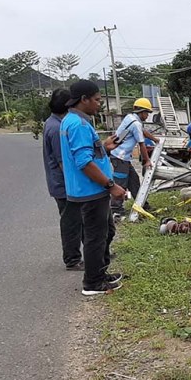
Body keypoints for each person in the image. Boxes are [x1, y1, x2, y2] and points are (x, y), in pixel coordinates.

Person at [60, 80, 126, 295]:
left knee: (105, 232)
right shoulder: (77, 125)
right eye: (97, 100)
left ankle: (100, 273)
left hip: (89, 189)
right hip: (90, 191)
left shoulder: (72, 120)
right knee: (96, 237)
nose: (99, 104)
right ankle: (93, 283)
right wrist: (111, 185)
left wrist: (104, 147)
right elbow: (84, 163)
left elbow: (88, 155)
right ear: (84, 99)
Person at [42, 88, 84, 270]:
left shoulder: (51, 122)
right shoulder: (57, 128)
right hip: (64, 185)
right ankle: (72, 259)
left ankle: (88, 253)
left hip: (60, 183)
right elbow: (63, 163)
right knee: (71, 222)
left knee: (77, 220)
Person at [109, 98, 159, 217]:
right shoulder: (135, 123)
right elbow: (141, 144)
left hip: (121, 156)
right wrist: (147, 160)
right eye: (146, 113)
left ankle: (141, 204)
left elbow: (142, 131)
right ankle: (116, 209)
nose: (147, 116)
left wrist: (155, 139)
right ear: (141, 111)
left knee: (134, 181)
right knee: (121, 183)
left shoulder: (130, 118)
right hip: (120, 157)